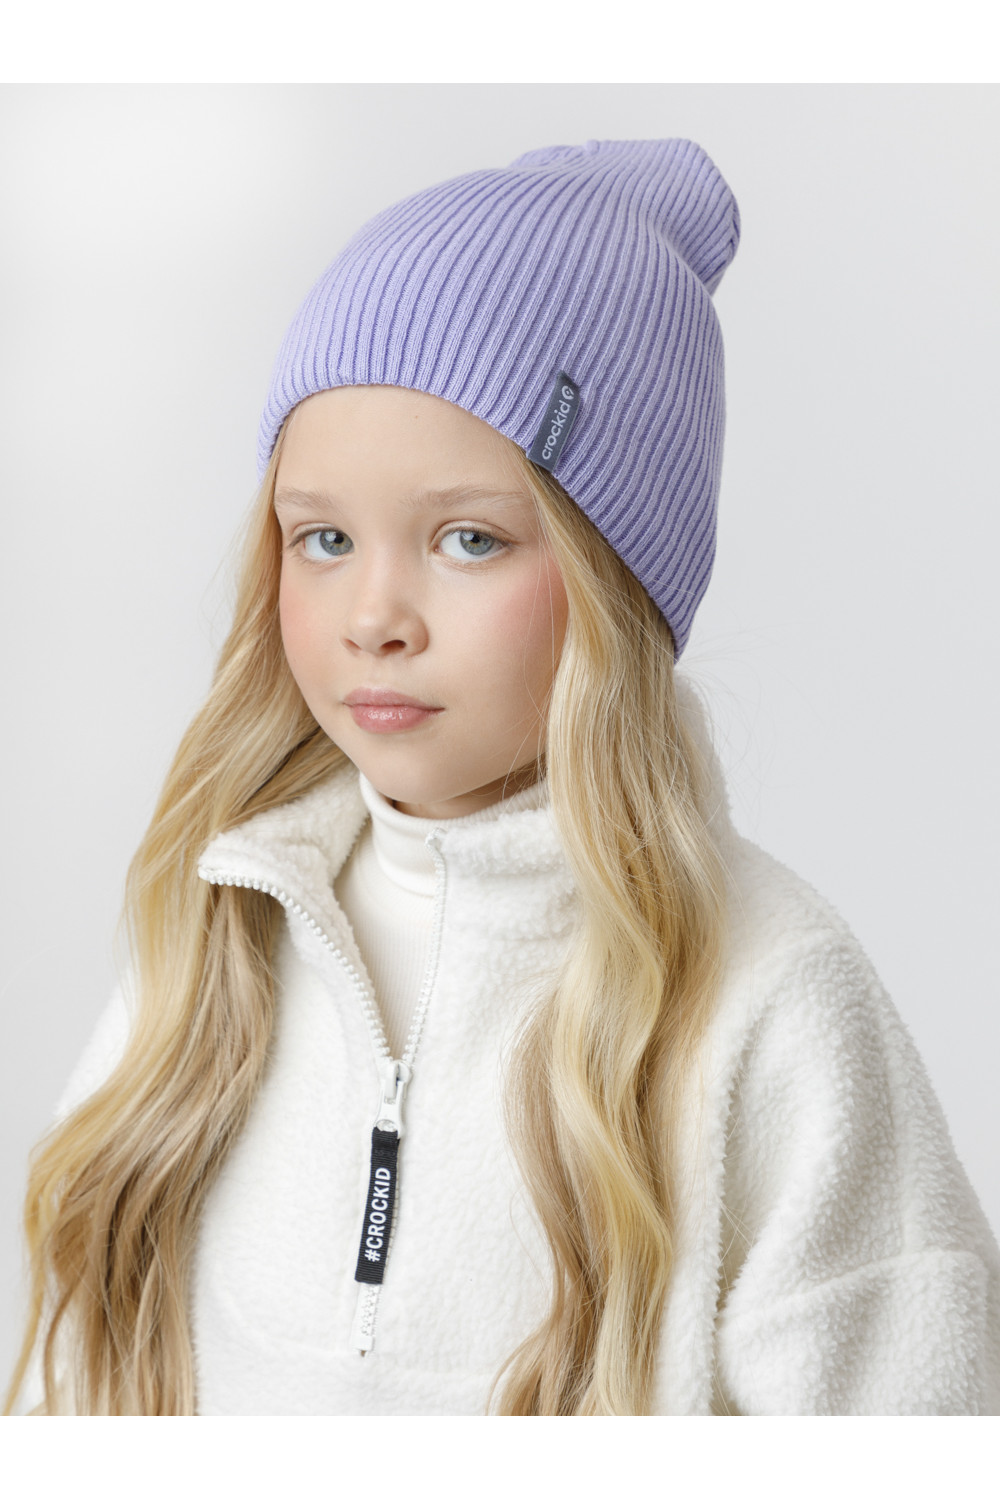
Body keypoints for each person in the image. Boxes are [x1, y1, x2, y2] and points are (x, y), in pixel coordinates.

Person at [6, 138, 999, 1418]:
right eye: (323, 537)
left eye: (468, 540)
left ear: (612, 579)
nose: (375, 616)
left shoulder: (769, 997)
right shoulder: (216, 939)